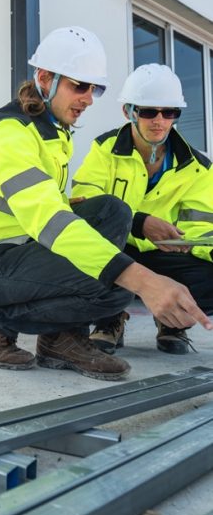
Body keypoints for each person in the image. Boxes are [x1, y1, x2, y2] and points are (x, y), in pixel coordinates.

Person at [0, 27, 211, 381]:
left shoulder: (53, 132)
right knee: (114, 291)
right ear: (44, 78)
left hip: (18, 247)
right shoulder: (10, 133)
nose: (88, 98)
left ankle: (59, 339)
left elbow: (67, 207)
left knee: (113, 212)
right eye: (79, 86)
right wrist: (145, 280)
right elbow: (50, 220)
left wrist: (138, 224)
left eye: (94, 89)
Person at [72, 64, 213, 354]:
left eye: (170, 112)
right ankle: (109, 318)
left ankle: (173, 321)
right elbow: (85, 203)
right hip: (116, 249)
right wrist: (140, 223)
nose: (159, 121)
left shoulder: (198, 169)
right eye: (149, 111)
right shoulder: (105, 149)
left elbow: (202, 227)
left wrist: (189, 244)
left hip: (165, 256)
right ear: (129, 112)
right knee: (91, 236)